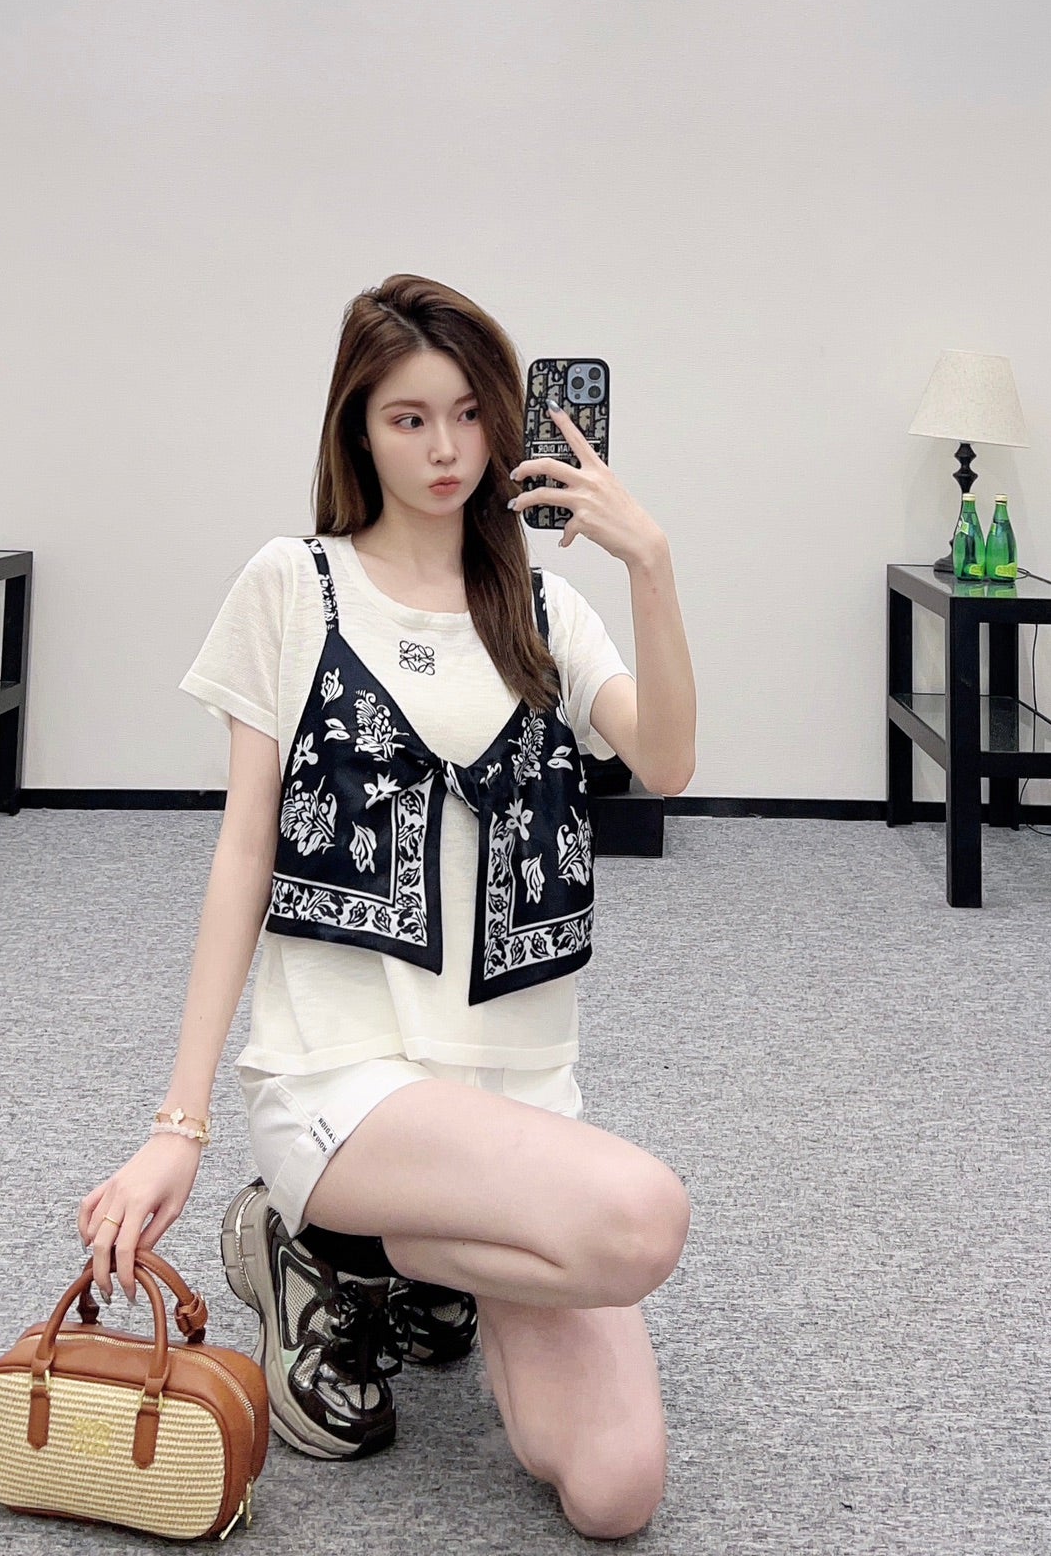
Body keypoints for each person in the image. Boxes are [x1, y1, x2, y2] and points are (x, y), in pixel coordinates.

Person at [78, 274, 696, 1540]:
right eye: (408, 418)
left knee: (615, 1493)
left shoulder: (543, 611)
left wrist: (652, 564)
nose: (446, 449)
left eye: (469, 414)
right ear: (358, 430)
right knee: (641, 1218)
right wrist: (178, 1126)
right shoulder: (293, 584)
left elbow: (671, 763)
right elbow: (242, 853)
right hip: (344, 1078)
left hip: (515, 1090)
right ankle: (317, 1215)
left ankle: (356, 1252)